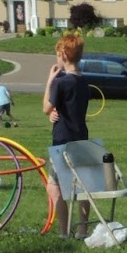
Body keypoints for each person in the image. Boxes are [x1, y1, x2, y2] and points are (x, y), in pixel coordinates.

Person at [42, 31, 93, 236]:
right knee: (82, 187)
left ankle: (64, 231)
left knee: (55, 187)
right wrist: (57, 112)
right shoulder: (84, 81)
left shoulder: (60, 82)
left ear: (63, 54)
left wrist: (49, 81)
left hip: (62, 140)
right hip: (81, 138)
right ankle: (82, 229)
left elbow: (46, 107)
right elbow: (67, 107)